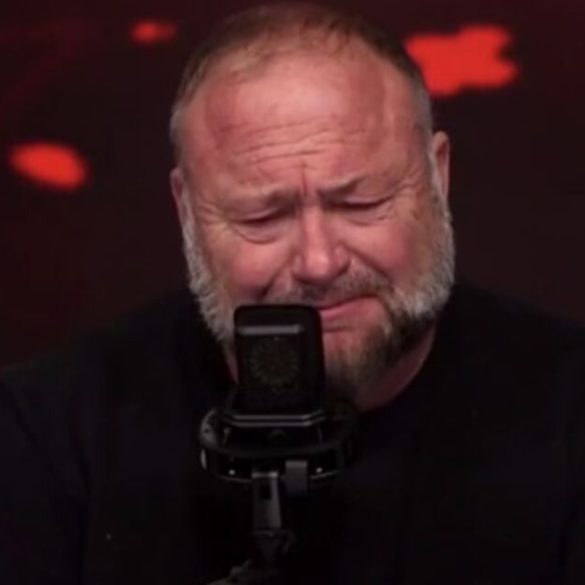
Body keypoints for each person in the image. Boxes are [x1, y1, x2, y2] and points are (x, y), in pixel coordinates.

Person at [1, 3, 584, 584]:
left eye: (361, 204)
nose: (318, 263)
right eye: (262, 217)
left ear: (438, 177)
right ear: (187, 210)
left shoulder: (569, 412)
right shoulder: (46, 437)